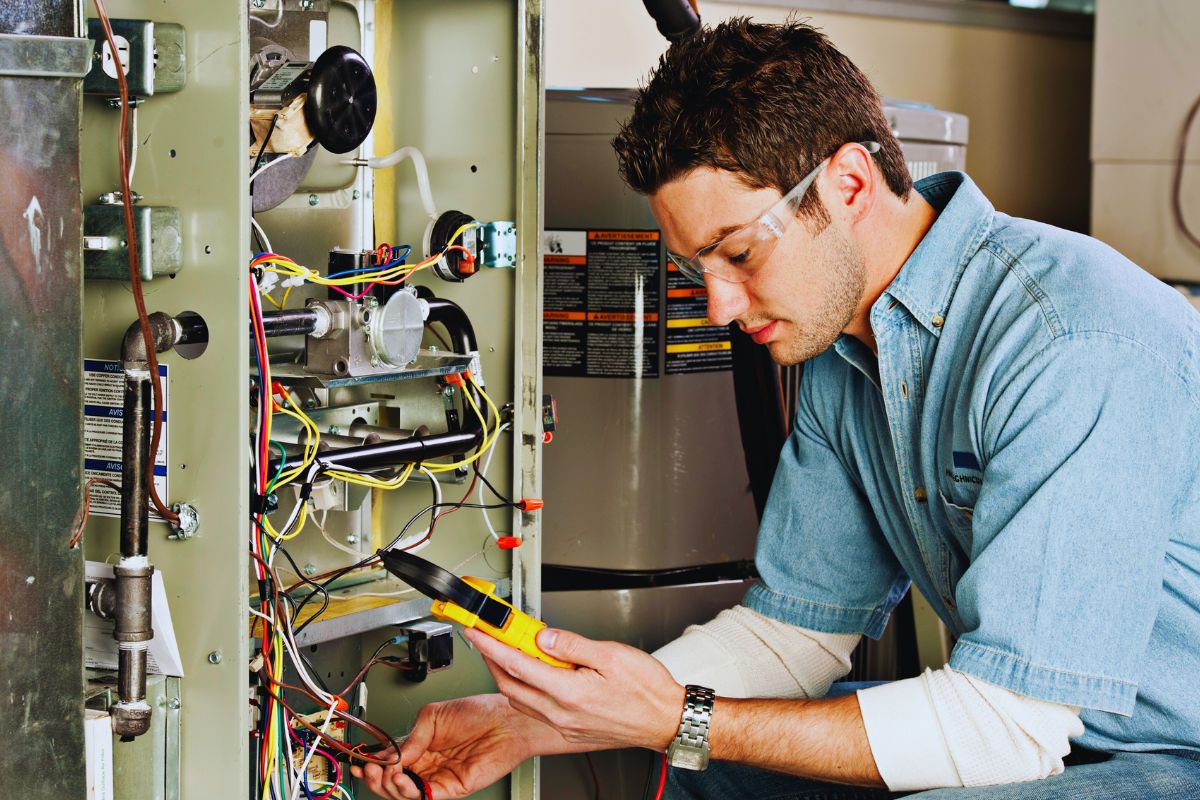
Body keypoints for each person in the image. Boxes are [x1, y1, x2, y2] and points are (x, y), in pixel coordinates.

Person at [353, 18, 1200, 800]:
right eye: (696, 270)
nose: (718, 307)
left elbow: (1010, 729)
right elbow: (794, 636)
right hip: (1062, 735)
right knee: (701, 772)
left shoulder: (1070, 343)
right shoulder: (845, 350)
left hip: (1169, 752)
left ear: (851, 182)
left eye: (741, 252)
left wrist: (674, 717)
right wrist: (536, 722)